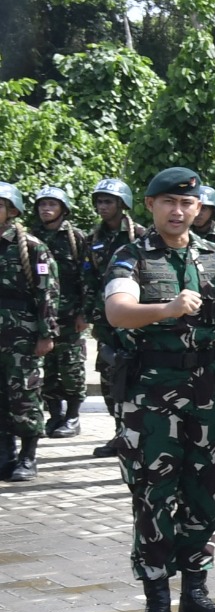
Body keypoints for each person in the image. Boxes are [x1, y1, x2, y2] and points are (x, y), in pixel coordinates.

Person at [100, 168, 215, 612]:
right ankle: (155, 602)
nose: (178, 210)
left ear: (199, 208)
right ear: (151, 205)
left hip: (207, 393)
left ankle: (196, 596)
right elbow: (117, 311)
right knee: (153, 497)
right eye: (168, 201)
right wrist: (165, 309)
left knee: (205, 494)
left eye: (186, 203)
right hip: (149, 396)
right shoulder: (131, 257)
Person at [0, 184, 62, 481]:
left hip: (21, 333)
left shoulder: (32, 247)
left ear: (12, 211)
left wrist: (46, 334)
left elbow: (48, 293)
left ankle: (28, 456)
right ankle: (5, 454)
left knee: (24, 393)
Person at [82, 178, 140, 456]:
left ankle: (135, 431)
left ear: (122, 204)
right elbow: (88, 279)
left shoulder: (140, 235)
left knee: (135, 374)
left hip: (134, 317)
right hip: (104, 319)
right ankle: (119, 432)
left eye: (108, 201)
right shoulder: (92, 239)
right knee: (108, 375)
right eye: (99, 201)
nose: (102, 207)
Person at [31, 186, 84, 438]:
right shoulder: (30, 238)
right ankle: (55, 415)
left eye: (52, 204)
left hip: (69, 315)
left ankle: (73, 416)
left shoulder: (77, 238)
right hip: (41, 316)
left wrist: (86, 312)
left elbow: (89, 278)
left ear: (63, 209)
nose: (46, 209)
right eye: (42, 204)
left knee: (71, 367)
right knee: (49, 369)